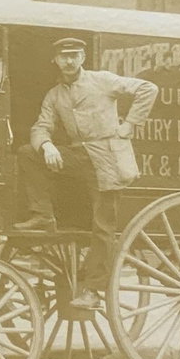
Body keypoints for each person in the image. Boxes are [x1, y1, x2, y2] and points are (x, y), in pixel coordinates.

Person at [13, 37, 159, 308]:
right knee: (27, 153)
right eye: (63, 56)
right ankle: (43, 216)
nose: (69, 61)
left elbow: (147, 88)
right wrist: (46, 146)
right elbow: (40, 126)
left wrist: (130, 125)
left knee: (103, 225)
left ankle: (93, 290)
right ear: (55, 60)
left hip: (107, 159)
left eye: (74, 55)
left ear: (82, 58)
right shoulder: (55, 95)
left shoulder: (102, 80)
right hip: (79, 156)